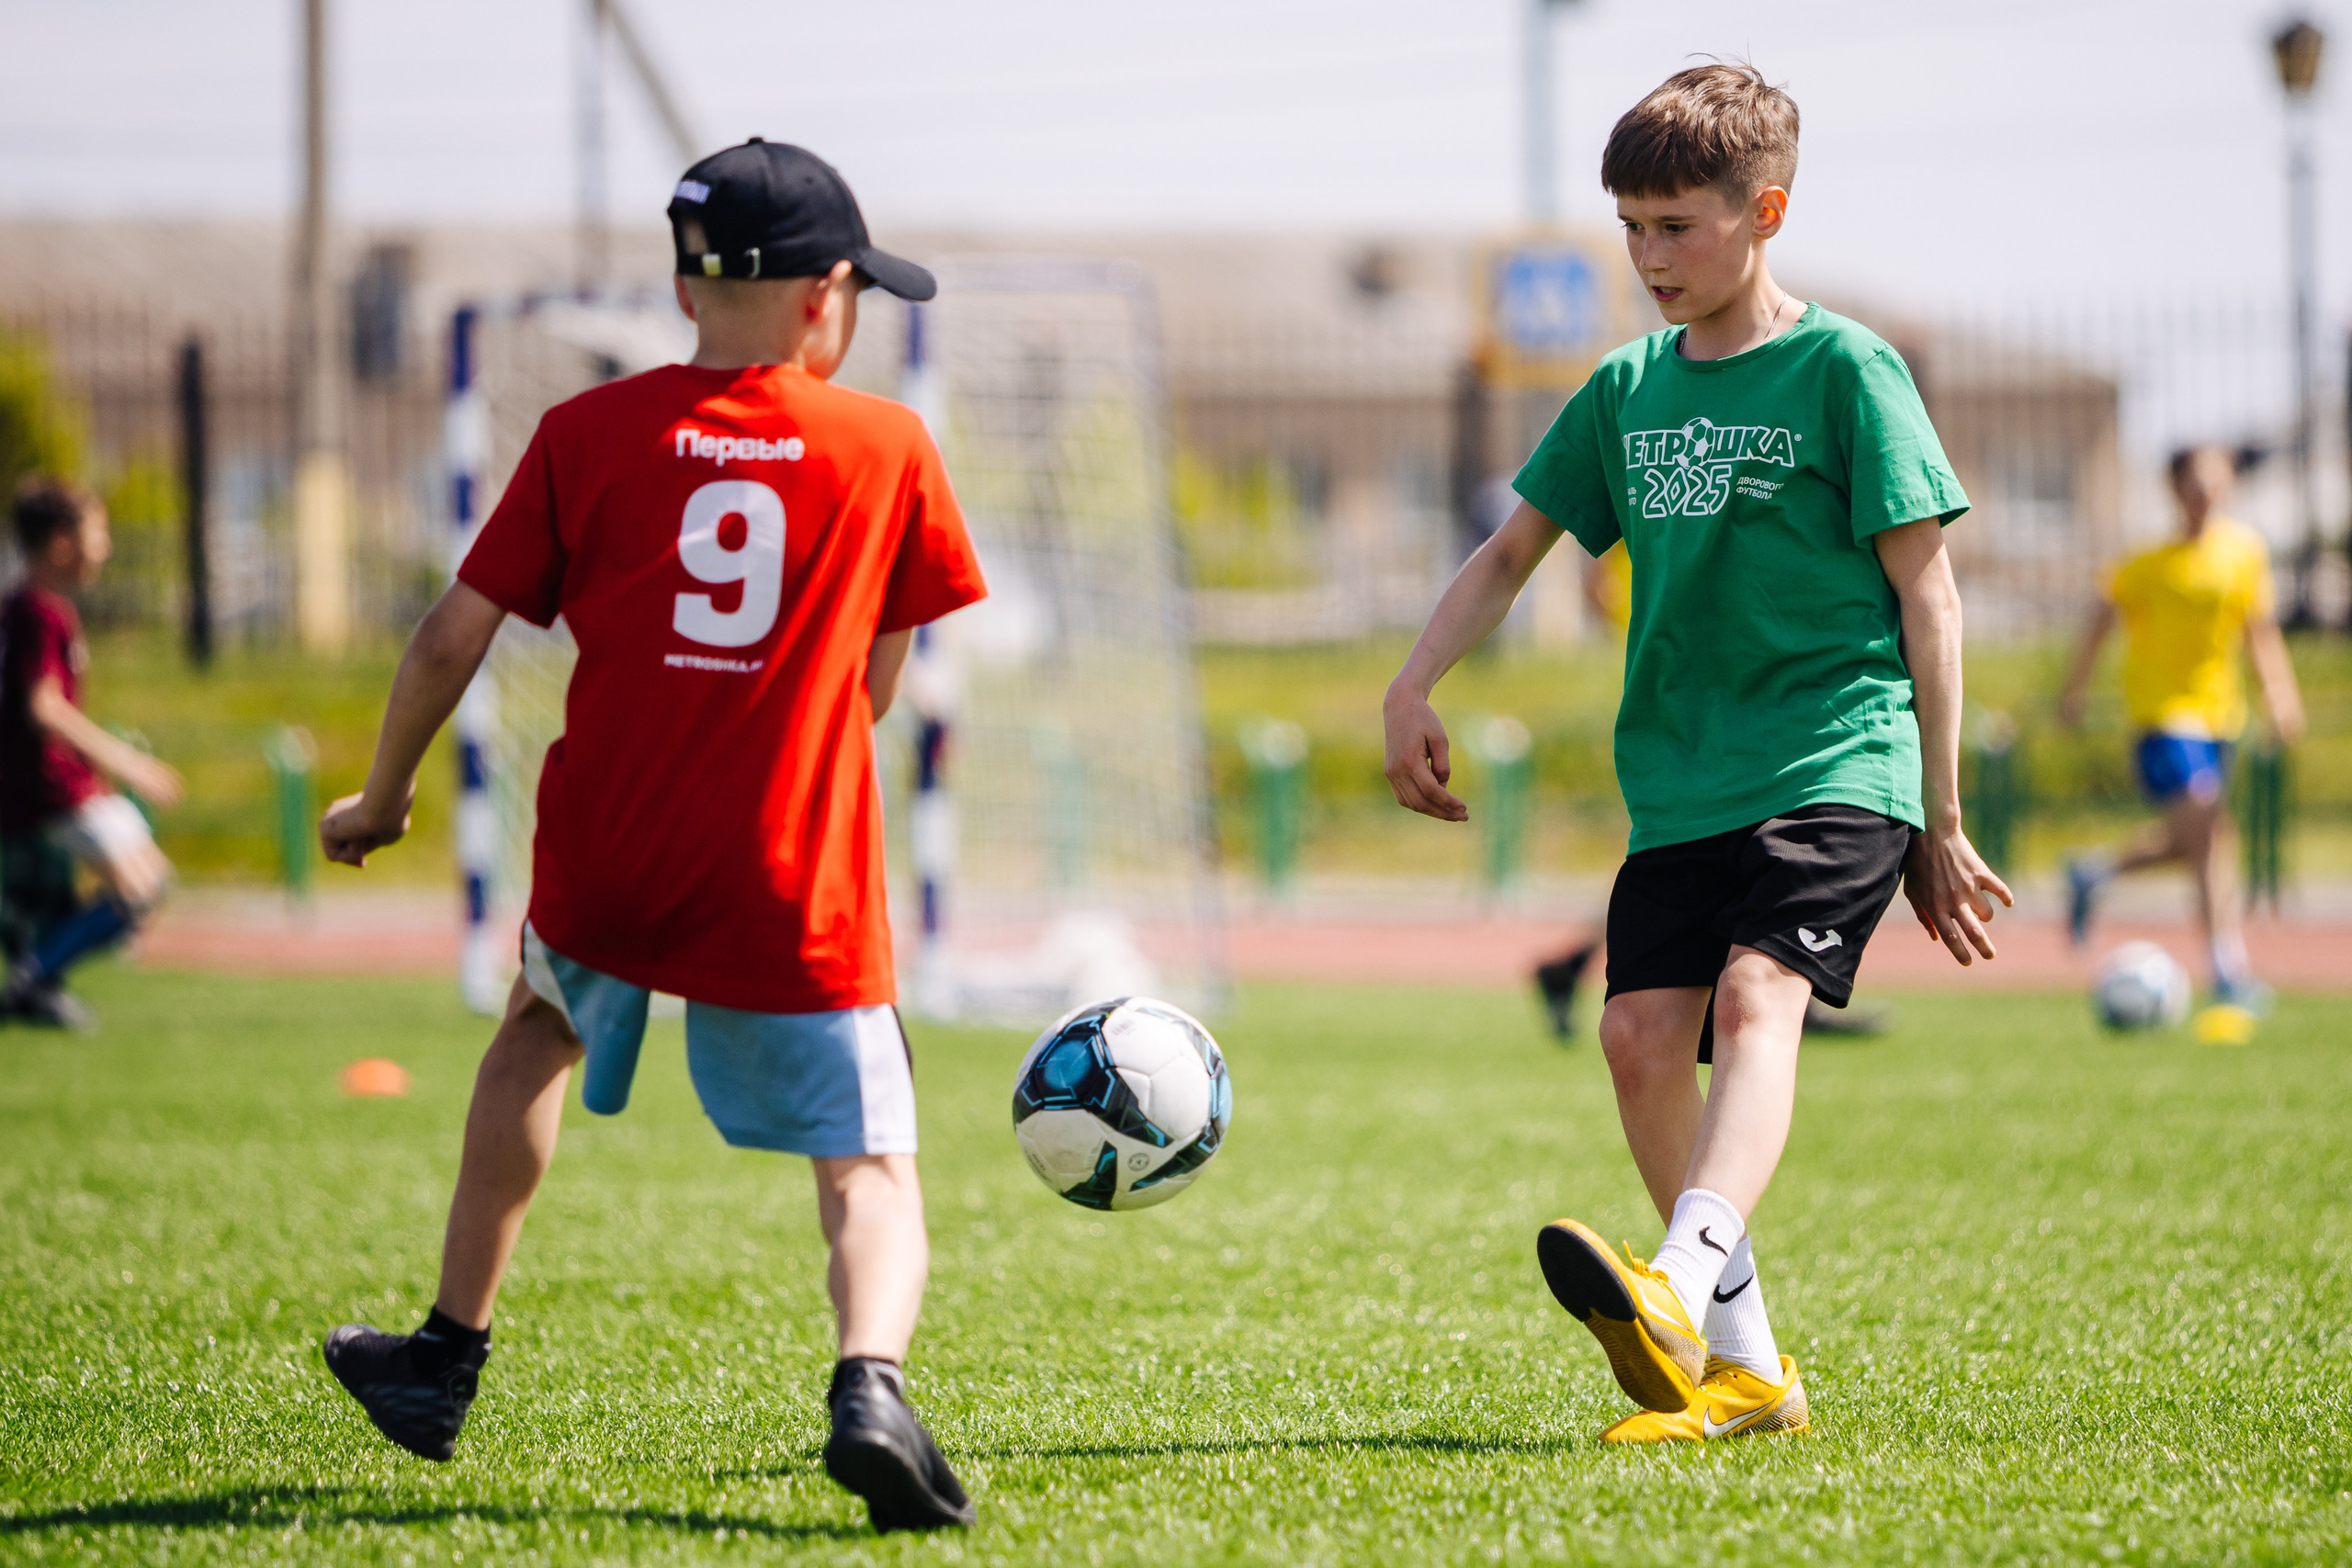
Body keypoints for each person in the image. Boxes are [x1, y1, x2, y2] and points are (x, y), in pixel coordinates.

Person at [314, 140, 988, 1533]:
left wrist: (382, 797)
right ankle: (871, 1385)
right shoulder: (886, 445)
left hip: (610, 853)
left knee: (532, 1037)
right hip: (790, 869)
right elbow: (875, 681)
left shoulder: (585, 433)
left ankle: (445, 1351)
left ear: (687, 281)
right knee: (868, 1158)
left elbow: (454, 632)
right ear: (829, 297)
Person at [1384, 63, 2007, 1444]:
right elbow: (1509, 552)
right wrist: (1413, 681)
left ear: (1763, 211)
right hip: (1681, 776)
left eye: (1676, 225)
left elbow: (1931, 591)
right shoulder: (1623, 388)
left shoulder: (1848, 370)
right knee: (1634, 1035)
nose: (1648, 258)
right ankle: (1748, 1366)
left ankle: (1671, 1279)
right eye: (1631, 228)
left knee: (1756, 996)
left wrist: (1939, 814)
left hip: (1839, 749)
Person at [2059, 446, 2303, 1010]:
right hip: (2163, 718)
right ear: (2174, 489)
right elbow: (2099, 619)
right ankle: (2227, 970)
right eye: (2195, 484)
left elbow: (2259, 633)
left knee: (2201, 839)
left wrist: (2281, 696)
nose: (2205, 495)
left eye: (2216, 484)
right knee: (2209, 830)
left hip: (2223, 718)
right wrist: (2074, 690)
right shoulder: (2146, 565)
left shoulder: (2244, 555)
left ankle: (2093, 873)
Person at [0, 478, 184, 1028]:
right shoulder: (42, 612)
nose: (104, 545)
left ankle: (35, 965)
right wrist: (129, 764)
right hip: (54, 784)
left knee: (146, 886)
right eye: (97, 531)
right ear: (62, 542)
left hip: (47, 783)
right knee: (144, 890)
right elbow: (45, 708)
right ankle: (33, 975)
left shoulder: (18, 606)